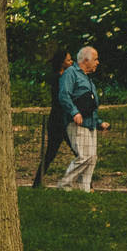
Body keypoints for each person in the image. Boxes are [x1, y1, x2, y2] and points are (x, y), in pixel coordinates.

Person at [57, 46, 110, 192]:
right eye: (95, 59)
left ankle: (83, 189)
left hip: (89, 123)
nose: (98, 62)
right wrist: (74, 113)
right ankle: (64, 184)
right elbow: (64, 95)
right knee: (85, 156)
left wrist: (99, 123)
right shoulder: (71, 73)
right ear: (86, 60)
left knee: (92, 158)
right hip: (77, 123)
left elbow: (89, 105)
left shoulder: (87, 78)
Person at [32, 48, 74, 188]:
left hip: (64, 120)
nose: (71, 62)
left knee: (77, 152)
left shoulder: (64, 77)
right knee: (54, 153)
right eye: (69, 60)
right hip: (58, 121)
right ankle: (37, 183)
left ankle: (37, 183)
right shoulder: (58, 78)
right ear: (62, 63)